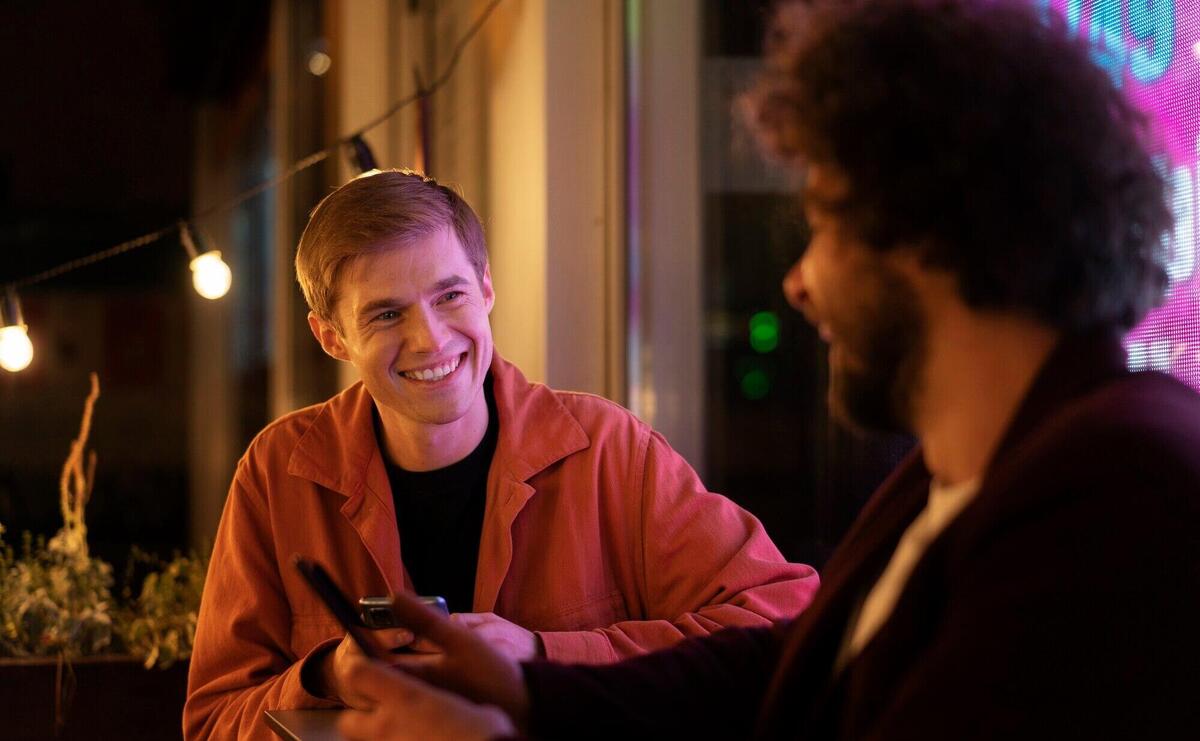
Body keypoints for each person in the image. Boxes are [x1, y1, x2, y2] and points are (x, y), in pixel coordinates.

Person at [332, 1, 1200, 738]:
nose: (799, 280)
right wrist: (526, 692)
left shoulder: (1119, 489)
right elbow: (788, 661)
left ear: (929, 235)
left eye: (823, 225)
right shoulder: (963, 470)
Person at [182, 171, 820, 739]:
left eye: (450, 295)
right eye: (384, 315)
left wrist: (543, 655)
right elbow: (212, 722)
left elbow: (783, 620)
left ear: (486, 289)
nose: (429, 338)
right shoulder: (276, 470)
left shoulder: (607, 449)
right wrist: (324, 675)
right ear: (331, 337)